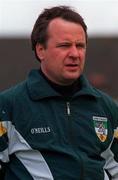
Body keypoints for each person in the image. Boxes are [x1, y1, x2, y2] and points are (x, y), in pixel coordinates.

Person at [0, 5, 118, 180]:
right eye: (64, 45)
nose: (75, 54)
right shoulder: (9, 106)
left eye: (80, 46)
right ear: (41, 50)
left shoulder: (107, 107)